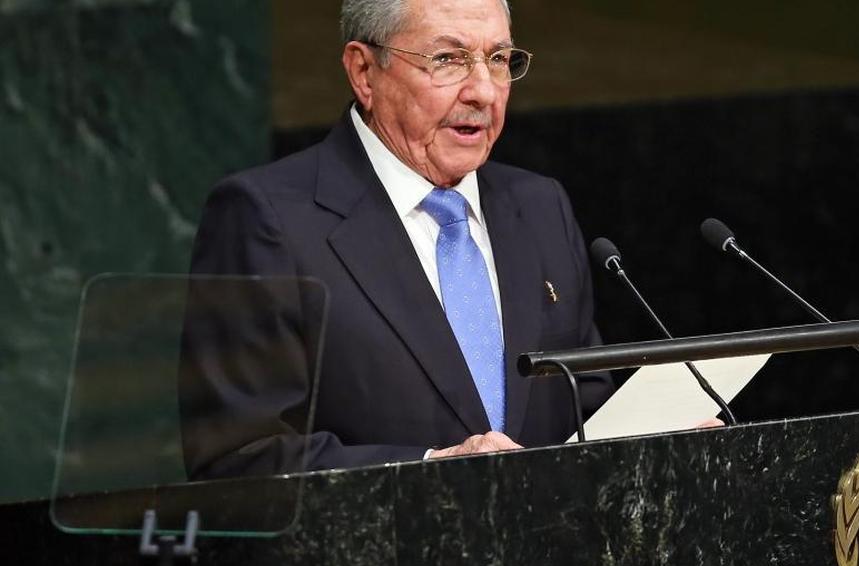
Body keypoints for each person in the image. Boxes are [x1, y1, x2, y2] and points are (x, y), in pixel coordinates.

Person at [179, 0, 612, 479]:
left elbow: (585, 404)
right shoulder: (267, 218)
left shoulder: (538, 205)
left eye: (498, 60)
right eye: (448, 60)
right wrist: (431, 471)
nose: (484, 91)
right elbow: (239, 456)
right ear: (364, 73)